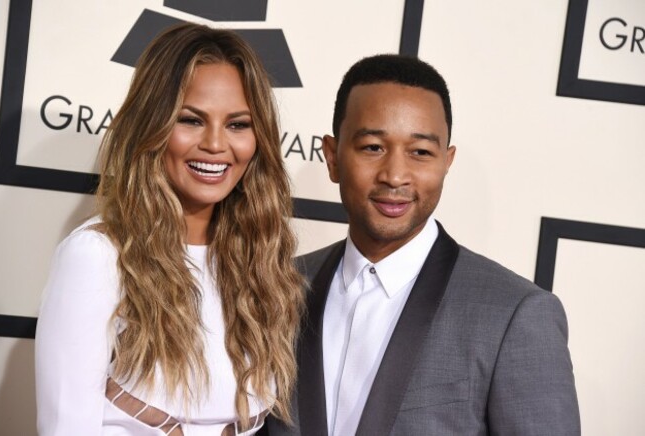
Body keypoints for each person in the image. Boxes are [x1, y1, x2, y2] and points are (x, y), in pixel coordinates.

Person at [265, 54, 580, 435]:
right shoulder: (275, 286)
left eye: (420, 153)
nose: (395, 175)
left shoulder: (513, 314)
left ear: (446, 162)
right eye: (372, 147)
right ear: (332, 157)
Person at [35, 23, 304, 435]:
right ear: (152, 126)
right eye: (190, 120)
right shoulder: (99, 256)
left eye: (238, 124)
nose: (216, 144)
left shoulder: (261, 261)